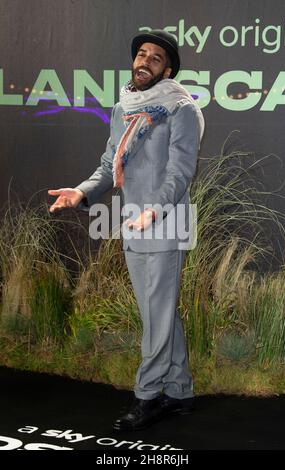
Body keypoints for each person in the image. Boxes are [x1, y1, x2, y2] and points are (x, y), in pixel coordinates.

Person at [48, 29, 204, 431]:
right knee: (160, 313)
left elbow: (180, 172)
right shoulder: (123, 110)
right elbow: (107, 166)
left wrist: (154, 210)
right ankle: (180, 390)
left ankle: (148, 397)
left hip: (165, 223)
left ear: (166, 69)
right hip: (133, 225)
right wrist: (80, 192)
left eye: (155, 58)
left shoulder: (181, 109)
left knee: (155, 317)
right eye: (141, 54)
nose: (144, 61)